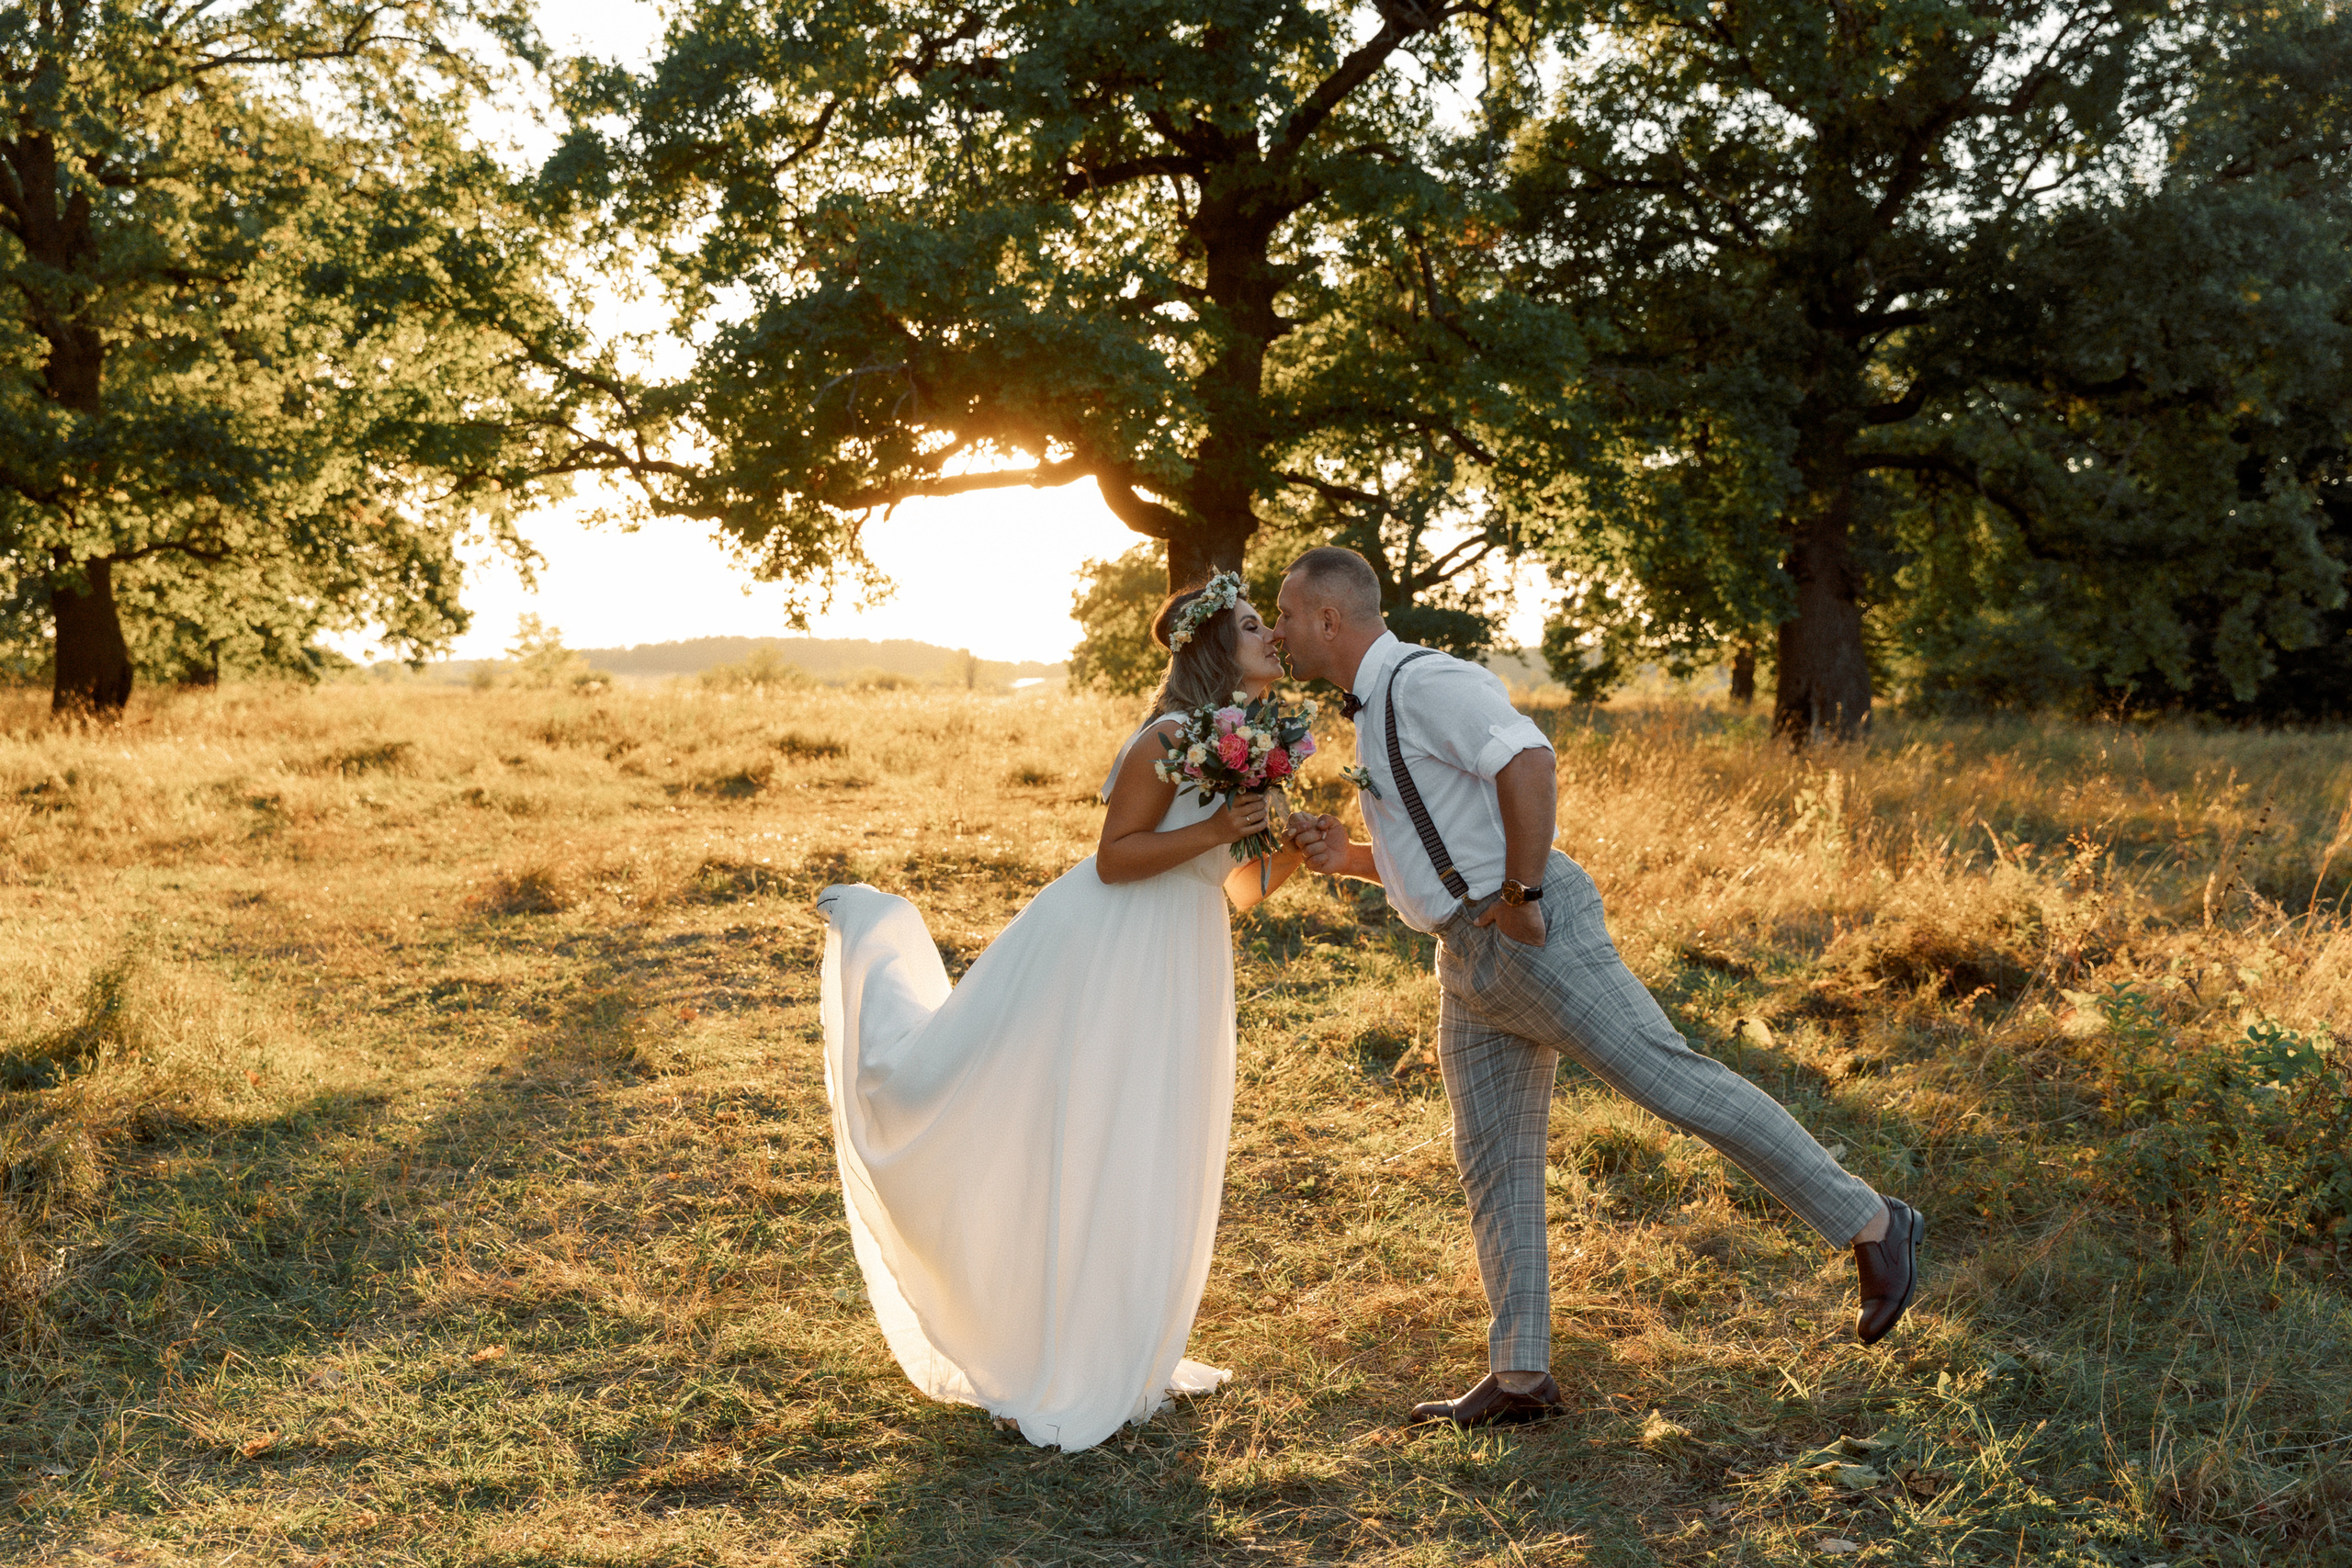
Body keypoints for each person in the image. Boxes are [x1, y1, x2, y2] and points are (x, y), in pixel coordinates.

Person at [1272, 546, 1923, 1431]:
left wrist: (1525, 897)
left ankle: (1873, 1222)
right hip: (1466, 958)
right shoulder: (1369, 708)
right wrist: (1345, 859)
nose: (1275, 631)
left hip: (1527, 935)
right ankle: (1522, 1374)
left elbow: (1529, 762)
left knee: (1674, 1083)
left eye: (1283, 613)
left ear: (1328, 620)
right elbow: (1437, 847)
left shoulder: (1425, 681)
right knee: (1493, 1158)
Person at [814, 572, 1306, 1451]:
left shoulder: (1243, 744)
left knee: (1153, 1133)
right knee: (1081, 1126)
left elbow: (1237, 892)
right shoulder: (1168, 736)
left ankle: (1125, 1341)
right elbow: (1116, 857)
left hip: (1180, 953)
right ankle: (1046, 1348)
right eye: (1249, 624)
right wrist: (1222, 826)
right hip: (1104, 947)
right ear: (1213, 648)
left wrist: (1293, 848)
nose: (1269, 631)